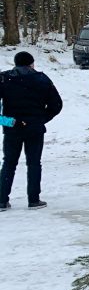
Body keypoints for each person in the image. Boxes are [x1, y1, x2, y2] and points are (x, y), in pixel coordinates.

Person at [0, 51, 63, 210]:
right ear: (31, 64)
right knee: (34, 163)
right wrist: (41, 119)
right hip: (35, 127)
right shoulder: (42, 79)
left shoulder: (4, 78)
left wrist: (7, 121)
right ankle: (34, 199)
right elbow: (56, 105)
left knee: (8, 163)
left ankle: (1, 200)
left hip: (12, 127)